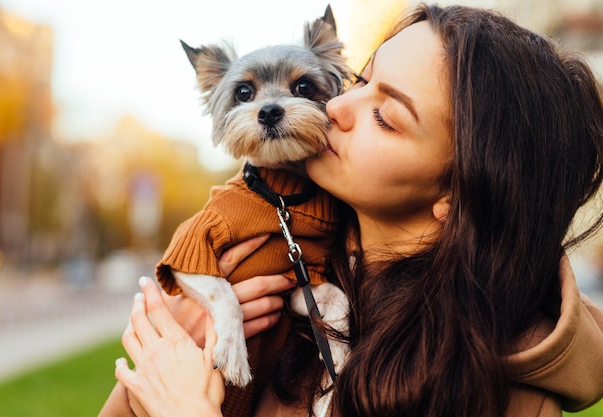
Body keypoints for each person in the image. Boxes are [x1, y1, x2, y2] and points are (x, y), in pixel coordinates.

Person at [99, 3, 603, 417]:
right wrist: (165, 358)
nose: (335, 106)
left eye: (385, 115)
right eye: (359, 80)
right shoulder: (278, 252)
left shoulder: (507, 394)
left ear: (459, 192)